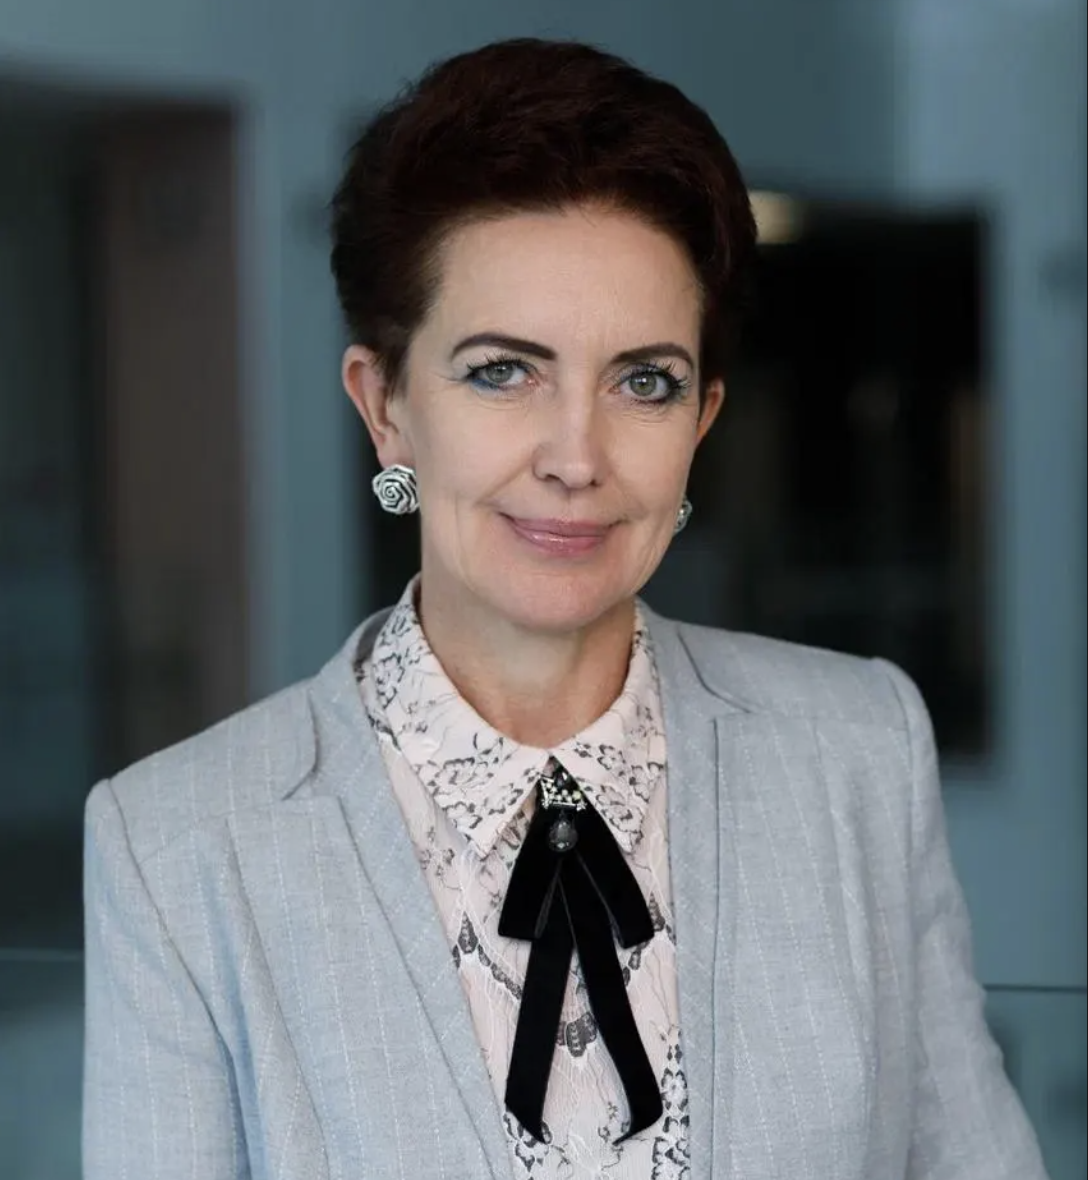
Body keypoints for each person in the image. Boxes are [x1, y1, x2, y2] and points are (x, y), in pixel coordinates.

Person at [82, 37, 1048, 1180]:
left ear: (700, 420)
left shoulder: (858, 749)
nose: (576, 457)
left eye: (643, 381)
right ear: (384, 406)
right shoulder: (180, 844)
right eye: (502, 370)